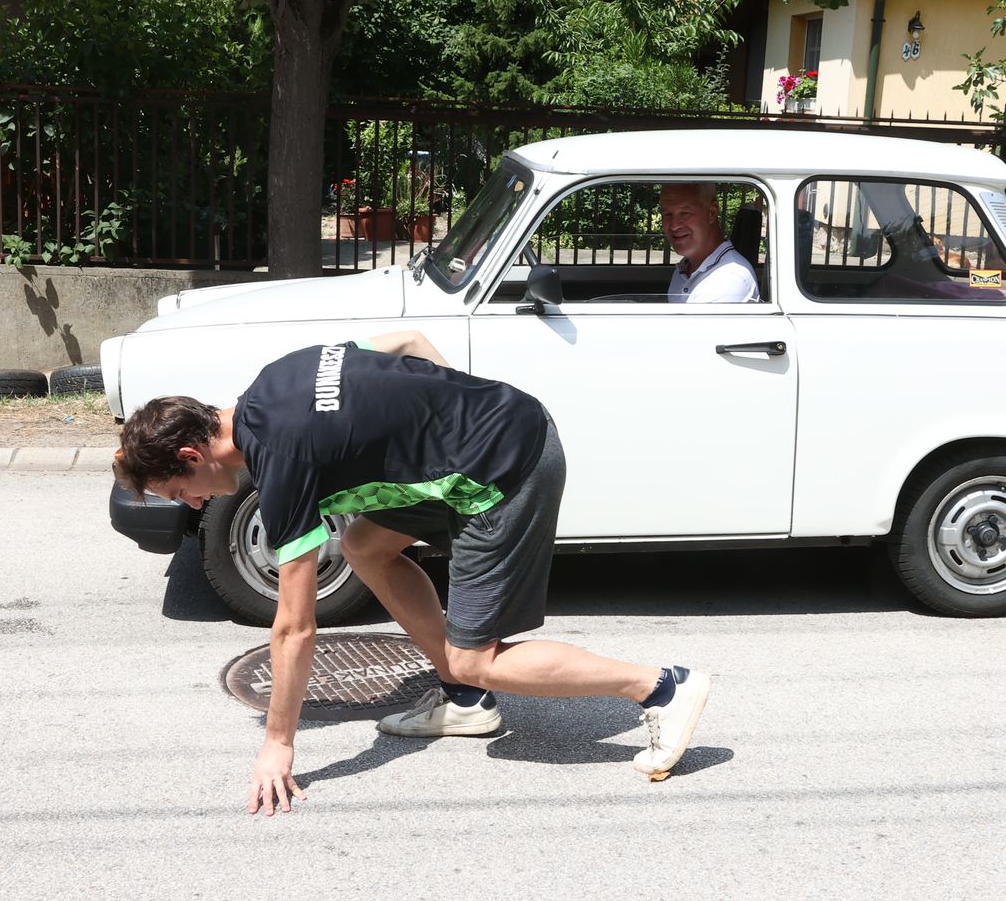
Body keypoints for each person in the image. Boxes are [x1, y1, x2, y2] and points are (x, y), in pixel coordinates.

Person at [114, 331, 712, 815]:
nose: (193, 505)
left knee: (477, 656)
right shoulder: (275, 379)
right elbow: (407, 342)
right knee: (365, 545)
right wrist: (452, 411)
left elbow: (294, 628)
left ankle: (660, 687)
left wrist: (278, 744)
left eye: (180, 491)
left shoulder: (282, 462)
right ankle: (464, 701)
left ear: (193, 456)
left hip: (506, 470)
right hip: (502, 422)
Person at [661, 181, 760, 303]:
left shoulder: (730, 277)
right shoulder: (684, 270)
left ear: (712, 213)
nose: (674, 226)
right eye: (667, 214)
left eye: (685, 213)